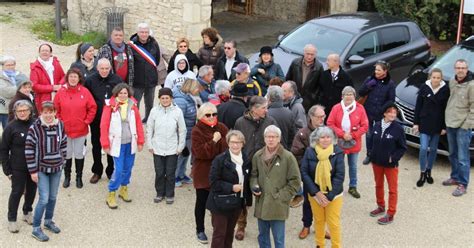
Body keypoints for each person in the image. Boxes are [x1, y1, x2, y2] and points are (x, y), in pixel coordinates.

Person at [233, 96, 277, 240]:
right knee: (243, 196)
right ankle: (241, 225)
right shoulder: (240, 122)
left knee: (264, 194)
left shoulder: (270, 121)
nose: (266, 110)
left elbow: (277, 140)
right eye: (264, 107)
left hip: (265, 164)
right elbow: (236, 142)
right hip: (245, 164)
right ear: (254, 109)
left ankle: (264, 227)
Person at [250, 125, 301, 248]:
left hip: (278, 205)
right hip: (261, 203)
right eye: (268, 136)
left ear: (279, 139)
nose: (270, 139)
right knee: (263, 237)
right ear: (264, 138)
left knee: (278, 239)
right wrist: (254, 186)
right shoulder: (257, 155)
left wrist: (281, 196)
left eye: (274, 137)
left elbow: (295, 181)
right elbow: (253, 175)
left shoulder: (288, 157)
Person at [25, 101, 67, 242]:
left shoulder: (60, 125)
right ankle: (36, 228)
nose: (48, 115)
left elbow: (64, 143)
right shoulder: (34, 128)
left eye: (51, 112)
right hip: (41, 169)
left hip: (56, 168)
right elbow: (29, 150)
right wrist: (33, 171)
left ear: (55, 112)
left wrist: (63, 160)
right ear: (41, 113)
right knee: (44, 198)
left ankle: (48, 221)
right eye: (45, 112)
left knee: (53, 197)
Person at [100, 83, 145, 209]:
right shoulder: (109, 107)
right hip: (117, 144)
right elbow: (103, 127)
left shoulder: (133, 106)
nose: (123, 95)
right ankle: (112, 192)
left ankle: (124, 188)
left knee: (128, 168)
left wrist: (141, 141)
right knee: (118, 170)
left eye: (125, 93)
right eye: (121, 93)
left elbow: (138, 124)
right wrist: (105, 144)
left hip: (130, 143)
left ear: (128, 94)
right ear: (116, 94)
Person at [301, 126, 345, 248]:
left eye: (328, 137)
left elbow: (340, 176)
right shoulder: (310, 151)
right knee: (319, 221)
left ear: (332, 139)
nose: (325, 140)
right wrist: (317, 193)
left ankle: (336, 246)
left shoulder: (338, 152)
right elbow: (304, 172)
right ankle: (319, 245)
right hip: (315, 195)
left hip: (334, 195)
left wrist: (329, 197)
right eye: (322, 137)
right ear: (317, 139)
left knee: (333, 223)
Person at [206, 130, 251, 248]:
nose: (235, 145)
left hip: (236, 204)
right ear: (228, 143)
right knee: (219, 235)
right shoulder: (220, 159)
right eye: (232, 142)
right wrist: (231, 187)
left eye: (238, 142)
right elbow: (213, 182)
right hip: (220, 203)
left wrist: (248, 201)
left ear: (243, 143)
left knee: (229, 234)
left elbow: (248, 181)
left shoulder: (246, 160)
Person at [191, 102, 229, 244]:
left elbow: (229, 148)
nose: (212, 117)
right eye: (208, 115)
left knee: (218, 204)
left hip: (220, 173)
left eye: (214, 114)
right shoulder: (197, 130)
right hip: (203, 173)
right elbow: (200, 153)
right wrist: (214, 141)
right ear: (201, 116)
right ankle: (200, 229)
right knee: (201, 203)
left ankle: (218, 230)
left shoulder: (222, 127)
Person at [53, 68, 97, 189]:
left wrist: (87, 121)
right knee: (66, 154)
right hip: (65, 130)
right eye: (71, 76)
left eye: (75, 77)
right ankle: (67, 177)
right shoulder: (61, 92)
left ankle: (79, 177)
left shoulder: (85, 92)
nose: (73, 79)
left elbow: (92, 107)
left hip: (80, 130)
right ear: (67, 78)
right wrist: (60, 121)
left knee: (79, 154)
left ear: (79, 79)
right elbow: (55, 109)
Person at [290, 105, 328, 239]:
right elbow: (296, 155)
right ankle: (306, 226)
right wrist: (305, 172)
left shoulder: (327, 132)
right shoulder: (303, 134)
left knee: (325, 202)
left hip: (325, 176)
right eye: (319, 116)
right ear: (311, 117)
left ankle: (322, 228)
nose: (322, 119)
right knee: (308, 202)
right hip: (309, 177)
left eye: (323, 116)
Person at [84, 58, 122, 183]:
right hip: (96, 119)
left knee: (111, 145)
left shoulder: (117, 80)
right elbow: (86, 99)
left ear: (110, 68)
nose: (104, 71)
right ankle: (97, 171)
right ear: (97, 68)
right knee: (96, 145)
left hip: (112, 119)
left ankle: (111, 171)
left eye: (107, 68)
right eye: (102, 68)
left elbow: (123, 96)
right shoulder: (90, 80)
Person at [1, 100, 36, 233]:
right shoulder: (11, 127)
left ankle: (27, 212)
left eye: (25, 110)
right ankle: (12, 219)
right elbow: (3, 149)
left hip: (34, 166)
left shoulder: (36, 123)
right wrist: (7, 169)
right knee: (17, 192)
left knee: (32, 190)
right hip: (17, 167)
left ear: (30, 111)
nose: (22, 113)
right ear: (15, 112)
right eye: (19, 111)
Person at [327, 86, 369, 198]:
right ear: (342, 96)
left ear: (354, 96)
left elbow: (365, 126)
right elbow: (330, 123)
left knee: (353, 166)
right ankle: (336, 186)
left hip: (354, 143)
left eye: (351, 94)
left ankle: (353, 186)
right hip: (339, 142)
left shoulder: (360, 109)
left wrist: (353, 135)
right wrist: (342, 134)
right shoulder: (336, 108)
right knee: (338, 166)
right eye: (346, 94)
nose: (348, 96)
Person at [146, 88, 186, 204]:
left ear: (171, 98)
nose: (165, 100)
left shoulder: (177, 112)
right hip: (157, 147)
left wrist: (180, 147)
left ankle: (169, 194)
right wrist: (150, 144)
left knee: (170, 173)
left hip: (172, 149)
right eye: (162, 98)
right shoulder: (154, 111)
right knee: (159, 172)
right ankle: (159, 193)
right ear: (159, 99)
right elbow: (149, 128)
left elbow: (182, 130)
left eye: (167, 98)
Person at [369, 103, 407, 225]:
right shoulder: (377, 125)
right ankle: (380, 206)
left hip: (390, 165)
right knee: (378, 185)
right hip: (377, 163)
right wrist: (371, 153)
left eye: (394, 112)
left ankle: (390, 213)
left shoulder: (398, 129)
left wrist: (393, 158)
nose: (392, 114)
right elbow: (371, 141)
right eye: (390, 112)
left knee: (392, 189)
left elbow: (403, 147)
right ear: (384, 113)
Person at [412, 68, 449, 187]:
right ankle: (422, 172)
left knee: (433, 149)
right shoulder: (424, 87)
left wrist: (444, 126)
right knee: (423, 148)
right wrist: (416, 123)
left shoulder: (445, 90)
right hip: (424, 123)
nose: (436, 80)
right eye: (434, 77)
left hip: (437, 125)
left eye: (438, 78)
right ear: (430, 77)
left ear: (441, 78)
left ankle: (429, 171)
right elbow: (418, 106)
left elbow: (446, 110)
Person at [442, 59, 473, 196]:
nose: (460, 70)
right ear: (454, 69)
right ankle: (454, 177)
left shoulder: (472, 85)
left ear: (467, 69)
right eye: (458, 67)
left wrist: (467, 125)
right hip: (450, 123)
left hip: (463, 126)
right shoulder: (452, 82)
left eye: (463, 68)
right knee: (452, 154)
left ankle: (463, 183)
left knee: (463, 157)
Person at [358, 61, 396, 165]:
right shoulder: (370, 79)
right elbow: (360, 92)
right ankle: (369, 154)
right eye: (375, 70)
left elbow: (391, 100)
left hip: (380, 114)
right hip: (368, 111)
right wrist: (368, 86)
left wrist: (383, 109)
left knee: (379, 135)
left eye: (379, 70)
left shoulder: (390, 84)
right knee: (369, 134)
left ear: (385, 71)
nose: (376, 72)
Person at [129, 23, 162, 123]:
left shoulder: (154, 43)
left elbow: (156, 60)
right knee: (135, 103)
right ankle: (135, 121)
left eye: (146, 32)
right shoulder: (131, 45)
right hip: (137, 80)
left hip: (151, 79)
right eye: (142, 32)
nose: (144, 34)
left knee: (149, 103)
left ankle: (149, 119)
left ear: (149, 33)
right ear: (138, 33)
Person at [173, 79, 201, 187]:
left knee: (186, 154)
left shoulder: (190, 98)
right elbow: (177, 121)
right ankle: (175, 176)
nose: (198, 89)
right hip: (182, 134)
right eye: (196, 87)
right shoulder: (181, 101)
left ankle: (181, 174)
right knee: (180, 155)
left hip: (189, 132)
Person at [285, 44, 323, 112]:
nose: (309, 56)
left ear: (315, 55)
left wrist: (314, 97)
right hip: (294, 97)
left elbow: (321, 86)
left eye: (312, 54)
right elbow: (288, 79)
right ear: (304, 52)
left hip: (309, 101)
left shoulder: (319, 67)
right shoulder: (295, 63)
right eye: (307, 54)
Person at [30, 43, 65, 112]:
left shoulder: (56, 63)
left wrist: (60, 85)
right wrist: (52, 88)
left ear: (50, 53)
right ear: (39, 53)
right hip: (43, 98)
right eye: (42, 51)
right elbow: (34, 86)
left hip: (58, 95)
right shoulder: (35, 67)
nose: (44, 52)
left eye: (47, 51)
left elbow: (63, 76)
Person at [1, 56, 28, 127]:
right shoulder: (1, 77)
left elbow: (29, 88)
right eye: (8, 65)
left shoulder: (21, 75)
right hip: (6, 110)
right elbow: (7, 92)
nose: (10, 67)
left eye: (12, 65)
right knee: (8, 130)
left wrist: (23, 88)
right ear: (2, 66)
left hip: (22, 108)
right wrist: (21, 88)